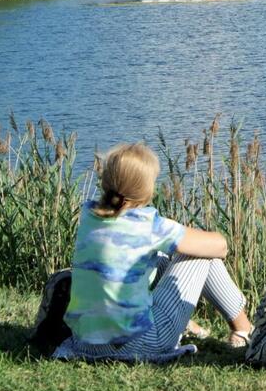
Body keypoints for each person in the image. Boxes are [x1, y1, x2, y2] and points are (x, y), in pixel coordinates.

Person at [55, 142, 253, 362]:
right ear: (146, 189)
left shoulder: (88, 215)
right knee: (198, 254)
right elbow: (220, 246)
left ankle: (196, 325)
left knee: (156, 259)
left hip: (85, 343)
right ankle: (242, 328)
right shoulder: (148, 225)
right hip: (140, 344)